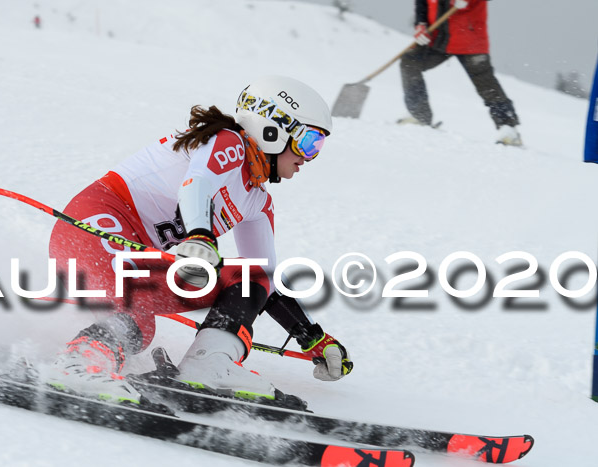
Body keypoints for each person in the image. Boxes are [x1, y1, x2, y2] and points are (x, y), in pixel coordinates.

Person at [47, 76, 353, 404]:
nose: (309, 157)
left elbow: (267, 278)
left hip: (136, 261)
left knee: (252, 277)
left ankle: (209, 364)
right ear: (272, 128)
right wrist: (201, 236)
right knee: (138, 319)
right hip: (90, 229)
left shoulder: (257, 201)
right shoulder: (227, 142)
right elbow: (197, 184)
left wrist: (311, 337)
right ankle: (79, 364)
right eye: (310, 142)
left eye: (318, 147)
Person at [399, 0, 522, 146]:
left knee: (485, 83)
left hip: (469, 38)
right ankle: (419, 115)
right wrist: (421, 23)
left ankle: (508, 128)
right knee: (410, 62)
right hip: (438, 38)